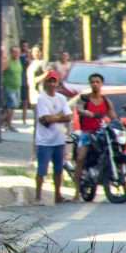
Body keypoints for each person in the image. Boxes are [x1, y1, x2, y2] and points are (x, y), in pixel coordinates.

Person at [71, 73, 117, 198]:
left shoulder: (106, 101)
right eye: (92, 82)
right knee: (80, 158)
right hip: (86, 133)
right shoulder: (84, 98)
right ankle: (76, 192)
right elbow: (79, 109)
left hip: (101, 132)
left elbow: (113, 115)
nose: (95, 84)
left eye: (97, 82)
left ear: (102, 84)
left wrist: (118, 123)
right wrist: (87, 113)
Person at [34, 70, 73, 204]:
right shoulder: (41, 98)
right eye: (49, 81)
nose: (51, 84)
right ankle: (38, 196)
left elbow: (68, 117)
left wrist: (54, 118)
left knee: (58, 169)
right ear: (45, 83)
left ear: (57, 83)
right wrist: (59, 117)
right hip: (44, 140)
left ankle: (58, 195)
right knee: (42, 169)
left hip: (59, 139)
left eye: (54, 81)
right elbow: (44, 119)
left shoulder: (61, 98)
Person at [1, 45, 23, 133]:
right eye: (15, 52)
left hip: (17, 87)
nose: (17, 54)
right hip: (9, 87)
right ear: (11, 53)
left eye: (18, 52)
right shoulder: (8, 62)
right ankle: (7, 124)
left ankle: (6, 123)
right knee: (11, 106)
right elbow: (1, 72)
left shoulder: (19, 61)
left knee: (13, 107)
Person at [25, 46, 46, 112]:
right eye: (34, 52)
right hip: (32, 91)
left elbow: (47, 74)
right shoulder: (32, 63)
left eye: (37, 51)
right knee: (35, 111)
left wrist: (38, 79)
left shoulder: (43, 63)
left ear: (40, 52)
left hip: (40, 91)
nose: (35, 53)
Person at [19, 41, 31, 124]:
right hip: (18, 80)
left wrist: (28, 55)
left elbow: (29, 64)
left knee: (25, 101)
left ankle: (24, 118)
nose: (25, 48)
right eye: (23, 46)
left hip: (25, 80)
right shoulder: (19, 56)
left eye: (26, 46)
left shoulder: (28, 56)